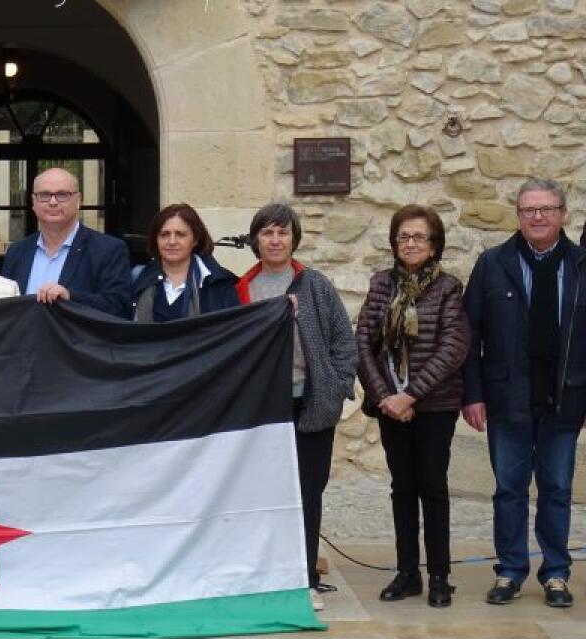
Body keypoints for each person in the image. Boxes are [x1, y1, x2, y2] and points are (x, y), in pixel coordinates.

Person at [462, 178, 586, 609]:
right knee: (509, 489)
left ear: (562, 214)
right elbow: (468, 335)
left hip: (564, 400)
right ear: (518, 215)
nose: (537, 217)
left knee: (555, 488)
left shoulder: (581, 263)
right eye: (529, 210)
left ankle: (555, 573)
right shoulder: (493, 264)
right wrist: (472, 395)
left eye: (546, 209)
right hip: (507, 400)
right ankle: (511, 571)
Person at [235, 203, 356, 612]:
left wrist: (336, 386)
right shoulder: (242, 291)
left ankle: (306, 577)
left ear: (293, 239)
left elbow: (343, 341)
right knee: (263, 493)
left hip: (310, 402)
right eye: (267, 232)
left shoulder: (315, 285)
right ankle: (268, 574)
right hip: (261, 408)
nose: (275, 240)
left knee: (307, 492)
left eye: (283, 233)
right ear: (255, 240)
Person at [355, 205, 468, 608]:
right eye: (404, 236)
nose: (411, 243)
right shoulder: (381, 284)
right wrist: (386, 397)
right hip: (389, 406)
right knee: (402, 489)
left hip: (434, 405)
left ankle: (440, 576)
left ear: (434, 244)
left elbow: (452, 347)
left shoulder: (448, 288)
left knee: (432, 488)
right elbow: (363, 343)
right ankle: (407, 573)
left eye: (420, 237)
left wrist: (410, 394)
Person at [0, 167, 130, 318]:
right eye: (44, 195)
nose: (53, 202)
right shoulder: (17, 252)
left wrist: (70, 298)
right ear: (33, 202)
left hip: (79, 341)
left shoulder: (108, 250)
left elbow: (120, 306)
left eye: (62, 194)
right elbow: (4, 308)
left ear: (78, 200)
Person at [130, 203, 239, 321]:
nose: (171, 241)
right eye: (164, 234)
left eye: (180, 234)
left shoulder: (220, 284)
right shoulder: (138, 278)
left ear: (195, 239)